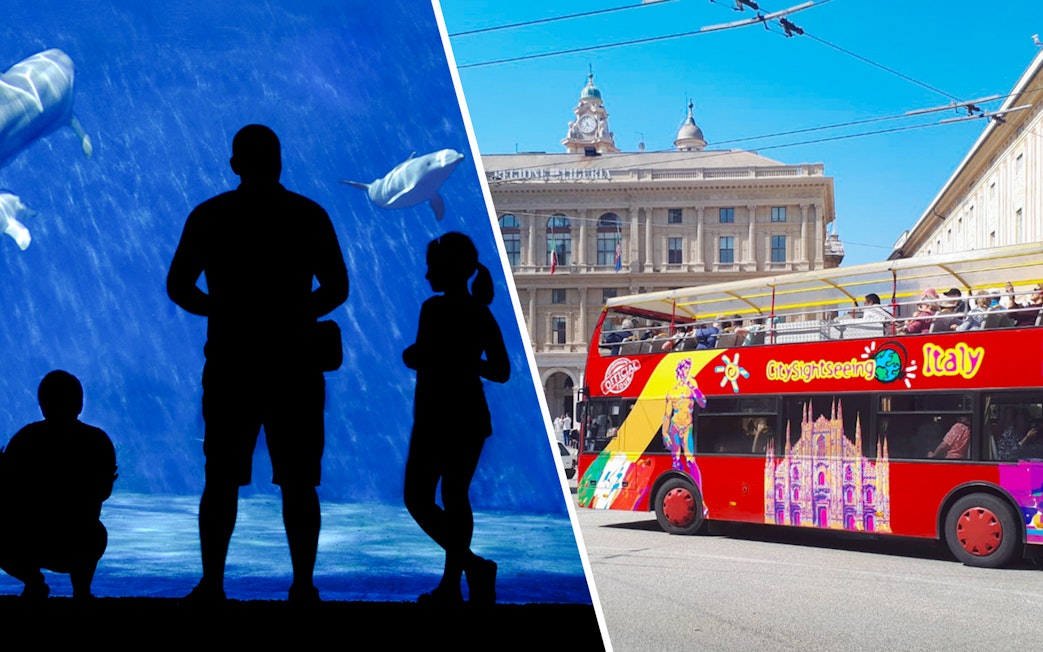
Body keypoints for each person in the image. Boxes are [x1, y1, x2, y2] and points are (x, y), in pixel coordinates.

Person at [167, 124, 349, 603]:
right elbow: (337, 288)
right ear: (280, 162)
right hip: (295, 363)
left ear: (234, 165)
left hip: (231, 361)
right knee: (299, 482)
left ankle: (212, 584)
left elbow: (179, 286)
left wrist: (224, 309)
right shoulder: (308, 215)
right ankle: (303, 585)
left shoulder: (210, 216)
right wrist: (294, 311)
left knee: (220, 478)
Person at [402, 232, 509, 605]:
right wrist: (464, 361)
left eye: (432, 266)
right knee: (454, 497)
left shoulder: (432, 310)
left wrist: (423, 356)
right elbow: (500, 370)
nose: (427, 274)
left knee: (419, 498)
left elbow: (425, 356)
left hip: (437, 416)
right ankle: (460, 577)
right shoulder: (481, 314)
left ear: (448, 269)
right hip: (469, 416)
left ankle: (466, 572)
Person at [0, 370, 117, 599]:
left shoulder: (25, 439)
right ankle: (81, 590)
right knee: (94, 534)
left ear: (42, 405)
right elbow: (103, 493)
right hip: (78, 537)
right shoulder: (97, 441)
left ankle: (33, 582)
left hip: (29, 536)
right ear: (80, 404)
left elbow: (6, 493)